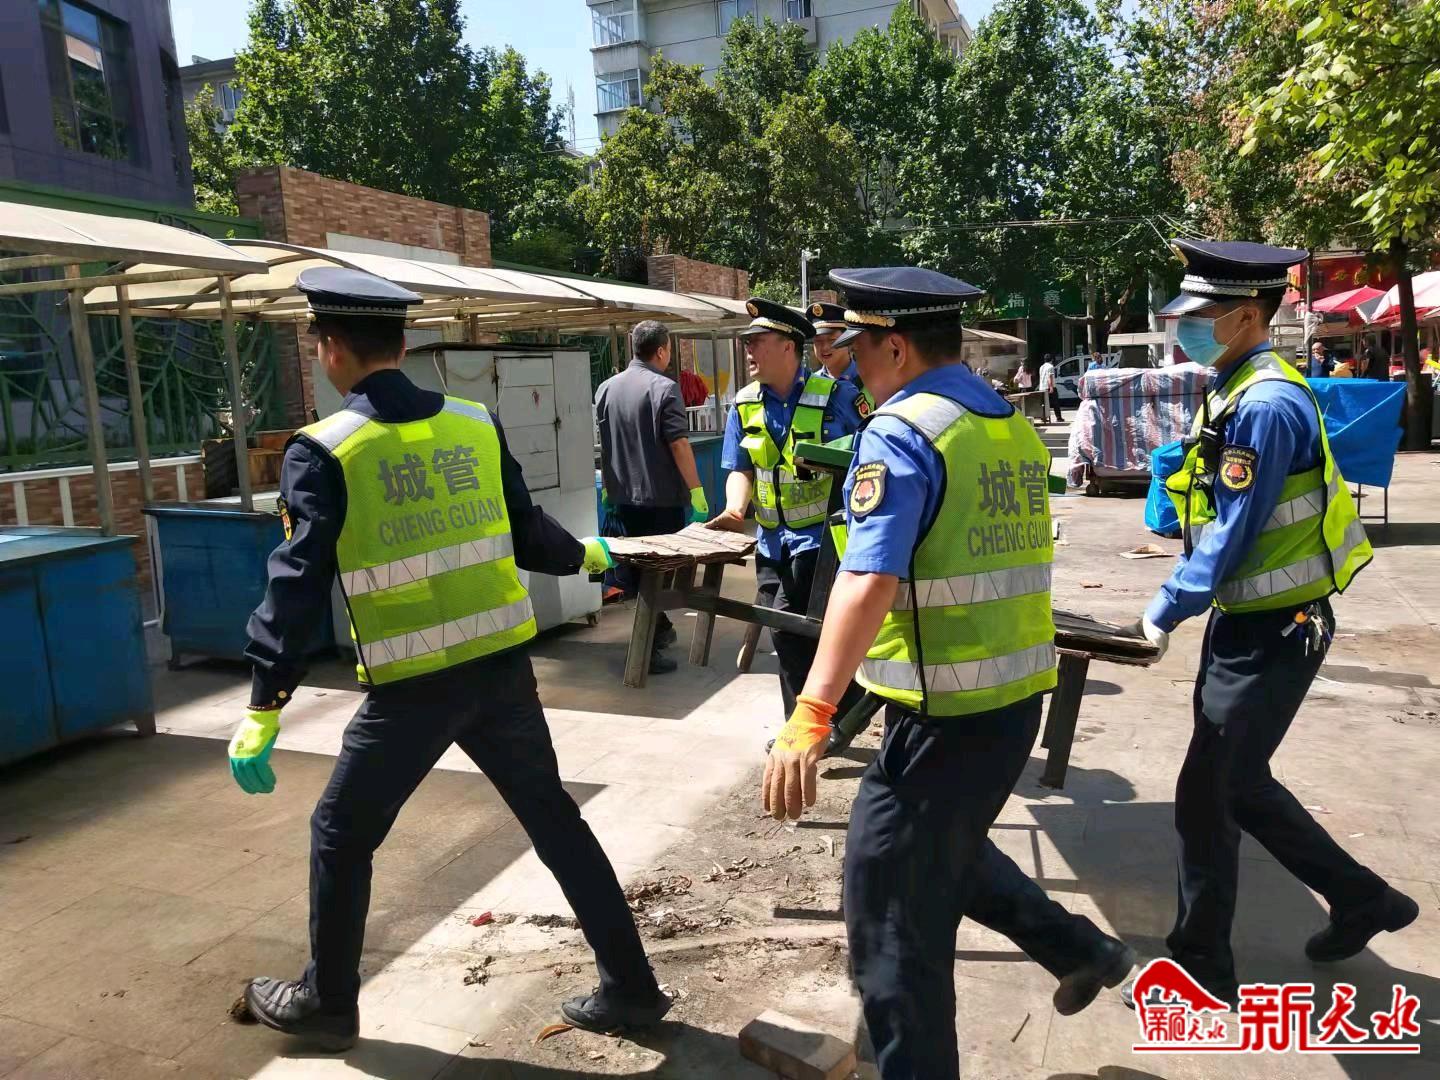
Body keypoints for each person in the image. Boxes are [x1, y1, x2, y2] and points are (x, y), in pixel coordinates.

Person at [229, 268, 668, 1049]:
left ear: (330, 349)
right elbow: (527, 531)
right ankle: (632, 987)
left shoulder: (323, 451)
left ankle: (329, 1002)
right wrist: (586, 555)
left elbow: (295, 587)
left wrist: (266, 702)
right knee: (555, 821)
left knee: (340, 833)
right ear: (403, 345)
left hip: (412, 691)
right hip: (501, 673)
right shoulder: (474, 423)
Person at [762, 267, 1134, 1080]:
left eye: (857, 348)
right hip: (1009, 702)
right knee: (941, 852)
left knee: (889, 915)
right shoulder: (1007, 425)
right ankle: (1079, 949)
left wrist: (813, 711)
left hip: (944, 716)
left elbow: (868, 578)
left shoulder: (902, 431)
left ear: (895, 346)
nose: (849, 364)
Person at [1123, 239, 1416, 1007]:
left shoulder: (1264, 403)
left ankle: (1202, 967)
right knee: (1232, 788)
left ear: (1250, 315)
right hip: (1250, 622)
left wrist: (1164, 609)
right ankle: (1363, 900)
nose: (1188, 328)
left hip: (1278, 627)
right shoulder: (1236, 385)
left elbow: (1236, 529)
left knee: (1212, 794)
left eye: (1203, 315)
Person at [708, 297, 866, 724]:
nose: (748, 351)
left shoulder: (839, 397)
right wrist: (735, 509)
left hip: (822, 542)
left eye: (757, 341)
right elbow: (740, 467)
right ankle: (817, 722)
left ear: (789, 346)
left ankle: (820, 721)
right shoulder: (744, 404)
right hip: (771, 544)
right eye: (747, 343)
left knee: (803, 631)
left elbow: (869, 456)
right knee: (787, 633)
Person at [594, 320, 709, 675]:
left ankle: (659, 628)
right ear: (661, 351)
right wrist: (696, 490)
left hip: (623, 501)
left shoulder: (606, 389)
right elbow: (679, 443)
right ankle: (651, 645)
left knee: (634, 570)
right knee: (656, 574)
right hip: (661, 501)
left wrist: (609, 490)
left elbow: (606, 445)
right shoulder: (664, 388)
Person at [809, 300, 874, 417]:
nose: (824, 347)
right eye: (818, 341)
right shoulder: (810, 384)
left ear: (848, 341)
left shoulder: (870, 379)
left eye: (831, 340)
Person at [1038, 352, 1062, 422]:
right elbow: (1050, 377)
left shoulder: (1041, 367)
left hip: (1042, 387)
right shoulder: (1050, 367)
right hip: (1049, 387)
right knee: (1055, 403)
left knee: (1044, 403)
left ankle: (1043, 417)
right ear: (1051, 359)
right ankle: (1058, 417)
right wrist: (1051, 387)